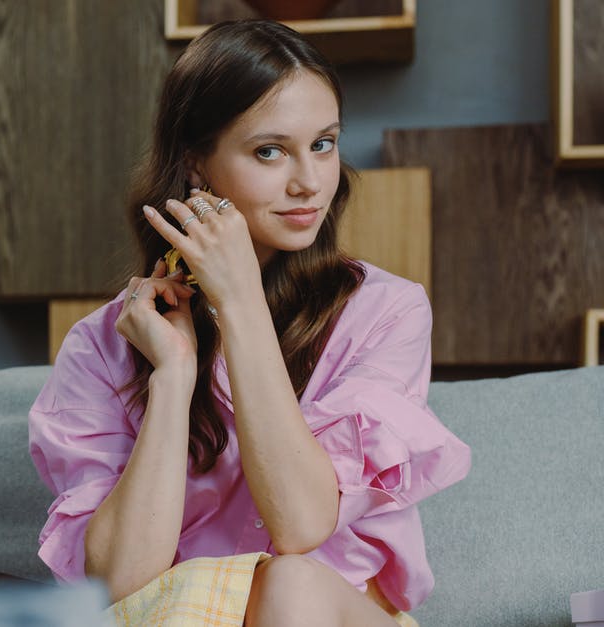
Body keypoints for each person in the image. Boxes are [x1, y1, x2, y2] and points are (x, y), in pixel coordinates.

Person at [28, 20, 471, 627]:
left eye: (323, 144)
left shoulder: (386, 312)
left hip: (331, 612)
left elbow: (299, 525)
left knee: (289, 583)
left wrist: (239, 305)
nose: (309, 181)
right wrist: (174, 378)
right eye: (270, 151)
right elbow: (121, 588)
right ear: (197, 165)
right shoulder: (103, 346)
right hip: (180, 617)